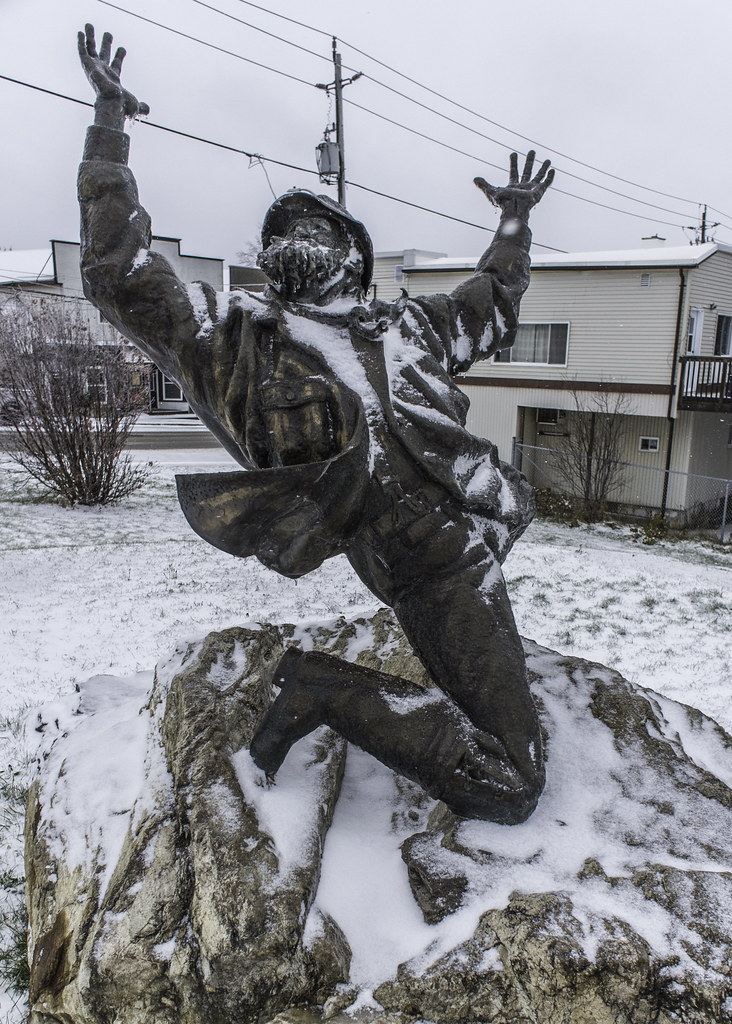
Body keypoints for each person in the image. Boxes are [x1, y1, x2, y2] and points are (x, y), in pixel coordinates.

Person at [78, 25, 555, 824]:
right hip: (415, 570)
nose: (296, 238)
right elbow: (118, 272)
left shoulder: (413, 325)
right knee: (513, 785)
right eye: (282, 233)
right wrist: (108, 128)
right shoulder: (233, 344)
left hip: (471, 554)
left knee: (509, 744)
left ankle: (342, 692)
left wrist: (512, 226)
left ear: (353, 256)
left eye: (317, 228)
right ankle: (321, 689)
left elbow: (495, 303)